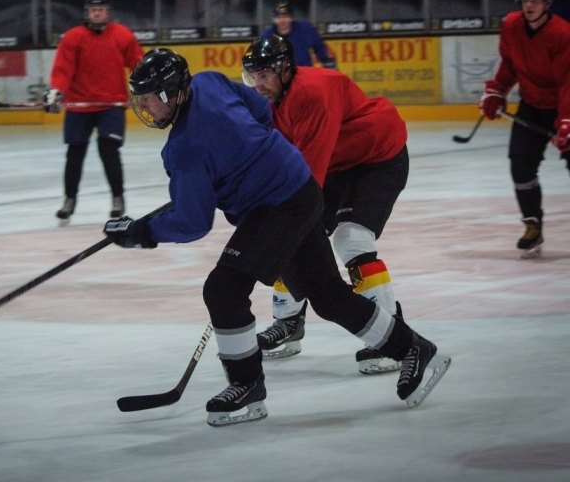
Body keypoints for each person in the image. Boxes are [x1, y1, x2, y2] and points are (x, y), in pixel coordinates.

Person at [103, 48, 450, 426]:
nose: (145, 109)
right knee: (328, 297)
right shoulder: (209, 81)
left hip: (277, 207)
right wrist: (246, 157)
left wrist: (142, 232)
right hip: (299, 188)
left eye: (150, 99)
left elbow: (192, 222)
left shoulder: (184, 149)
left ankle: (247, 386)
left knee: (223, 289)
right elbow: (261, 112)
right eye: (140, 100)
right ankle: (414, 348)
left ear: (173, 93)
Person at [241, 34, 408, 375]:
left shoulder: (312, 93)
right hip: (338, 162)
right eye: (252, 76)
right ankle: (289, 322)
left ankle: (392, 335)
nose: (258, 84)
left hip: (377, 159)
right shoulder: (272, 99)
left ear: (285, 70)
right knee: (290, 234)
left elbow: (307, 178)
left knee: (351, 239)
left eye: (264, 75)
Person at [479, 0, 570, 258]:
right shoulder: (512, 25)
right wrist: (496, 90)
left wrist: (566, 122)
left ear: (548, 4)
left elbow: (568, 82)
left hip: (564, 104)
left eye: (535, 0)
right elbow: (510, 64)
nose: (529, 4)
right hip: (531, 105)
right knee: (520, 165)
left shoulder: (563, 34)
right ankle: (532, 225)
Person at [44, 0, 144, 225]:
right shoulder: (73, 37)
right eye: (93, 10)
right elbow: (63, 70)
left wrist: (145, 88)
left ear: (108, 12)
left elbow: (137, 63)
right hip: (80, 106)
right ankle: (69, 200)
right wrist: (56, 91)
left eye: (101, 9)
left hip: (111, 104)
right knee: (74, 154)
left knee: (109, 150)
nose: (97, 13)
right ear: (87, 13)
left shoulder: (122, 35)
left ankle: (117, 198)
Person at [261, 0, 337, 69]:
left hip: (303, 72)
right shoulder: (267, 35)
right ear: (274, 19)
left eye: (285, 17)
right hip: (280, 75)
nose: (282, 21)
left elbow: (321, 49)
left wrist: (329, 65)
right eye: (279, 18)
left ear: (291, 17)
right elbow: (261, 59)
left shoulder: (305, 29)